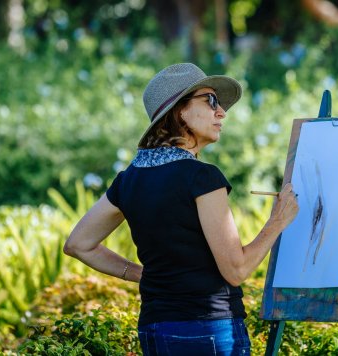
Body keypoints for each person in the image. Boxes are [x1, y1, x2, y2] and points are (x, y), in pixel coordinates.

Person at [64, 63, 299, 356]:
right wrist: (277, 222)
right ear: (180, 112)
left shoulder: (129, 180)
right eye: (210, 101)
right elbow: (237, 270)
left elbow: (78, 244)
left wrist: (142, 275)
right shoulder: (202, 177)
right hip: (208, 331)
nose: (221, 112)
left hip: (155, 329)